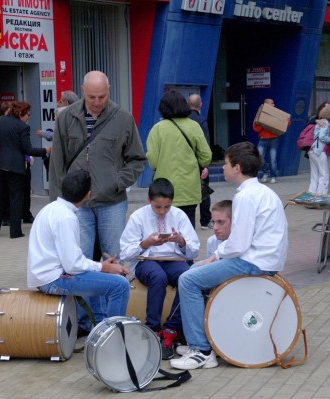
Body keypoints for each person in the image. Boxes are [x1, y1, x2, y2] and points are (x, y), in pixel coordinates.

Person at [170, 141, 288, 370]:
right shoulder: (263, 191)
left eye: (225, 163)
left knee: (188, 279)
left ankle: (201, 351)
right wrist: (215, 258)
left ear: (237, 167)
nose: (222, 167)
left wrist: (215, 256)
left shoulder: (246, 196)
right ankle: (207, 341)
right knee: (194, 271)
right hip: (264, 259)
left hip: (253, 262)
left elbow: (239, 244)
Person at [49, 70, 147, 260]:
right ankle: (85, 291)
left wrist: (116, 182)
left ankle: (114, 289)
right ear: (82, 90)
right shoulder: (66, 117)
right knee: (80, 259)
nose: (97, 102)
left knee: (114, 258)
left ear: (109, 90)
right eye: (91, 96)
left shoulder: (123, 118)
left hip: (112, 202)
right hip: (77, 203)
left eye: (102, 96)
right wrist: (57, 202)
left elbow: (137, 159)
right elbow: (57, 163)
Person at [27, 170, 130, 337]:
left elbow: (72, 262)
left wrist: (100, 267)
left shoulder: (50, 208)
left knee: (98, 279)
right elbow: (73, 265)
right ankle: (114, 339)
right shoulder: (66, 217)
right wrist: (104, 267)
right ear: (88, 195)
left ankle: (99, 330)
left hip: (45, 276)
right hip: (54, 279)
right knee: (120, 285)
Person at [119, 178, 199, 360]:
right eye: (157, 207)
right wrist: (145, 243)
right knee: (158, 277)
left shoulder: (178, 215)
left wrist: (180, 241)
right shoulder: (138, 216)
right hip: (145, 260)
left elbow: (193, 248)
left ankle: (170, 330)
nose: (162, 212)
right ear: (149, 201)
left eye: (167, 207)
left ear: (172, 202)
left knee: (188, 277)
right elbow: (125, 252)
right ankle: (153, 329)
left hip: (173, 259)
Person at [147, 90, 212, 228]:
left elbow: (152, 162)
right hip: (190, 189)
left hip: (164, 190)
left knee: (165, 231)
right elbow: (206, 157)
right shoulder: (194, 126)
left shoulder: (157, 129)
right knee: (187, 232)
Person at [0, 101, 50, 239]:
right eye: (27, 114)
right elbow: (27, 149)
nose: (29, 117)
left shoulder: (1, 120)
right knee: (16, 198)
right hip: (14, 167)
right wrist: (45, 150)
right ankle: (15, 231)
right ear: (21, 113)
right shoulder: (22, 127)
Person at [187, 93, 213, 230]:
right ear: (200, 105)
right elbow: (205, 146)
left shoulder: (181, 120)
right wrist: (205, 165)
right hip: (198, 164)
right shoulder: (201, 121)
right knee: (203, 192)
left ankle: (187, 222)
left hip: (184, 164)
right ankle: (205, 221)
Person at [253, 98, 289, 184]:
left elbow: (285, 124)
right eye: (272, 103)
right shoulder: (261, 113)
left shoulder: (277, 113)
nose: (273, 105)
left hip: (274, 139)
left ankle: (273, 176)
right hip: (263, 139)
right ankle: (265, 172)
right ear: (266, 105)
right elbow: (255, 128)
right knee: (259, 157)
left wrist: (286, 121)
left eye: (273, 103)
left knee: (273, 159)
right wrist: (263, 123)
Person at [308, 105, 330, 194]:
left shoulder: (319, 122)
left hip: (313, 150)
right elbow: (322, 136)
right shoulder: (326, 123)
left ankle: (310, 197)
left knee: (314, 176)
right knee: (324, 175)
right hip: (320, 151)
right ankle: (320, 198)